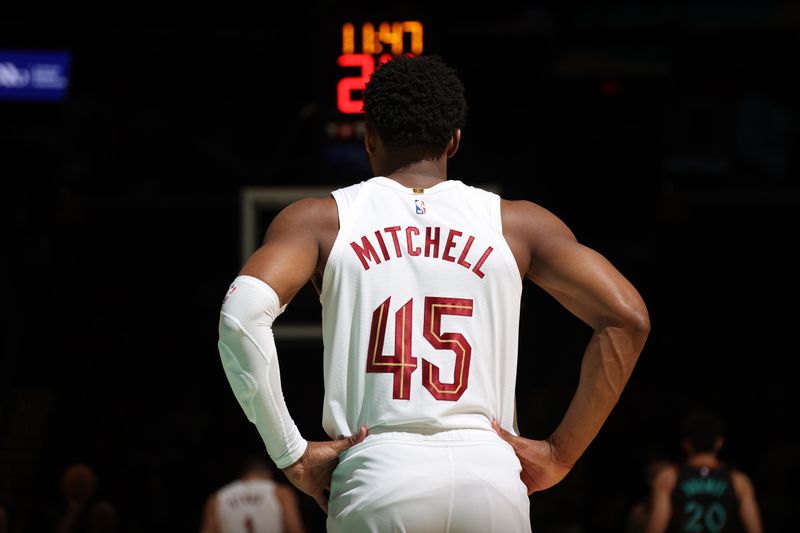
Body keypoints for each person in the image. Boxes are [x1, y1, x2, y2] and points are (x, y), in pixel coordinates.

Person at [217, 54, 650, 532]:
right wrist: (560, 454)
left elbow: (240, 317)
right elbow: (627, 317)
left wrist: (292, 454)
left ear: (369, 138)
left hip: (378, 472)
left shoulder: (321, 220)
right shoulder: (518, 225)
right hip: (489, 477)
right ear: (455, 140)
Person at [645, 408, 764, 533]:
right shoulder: (739, 481)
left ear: (687, 444)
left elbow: (655, 529)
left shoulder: (668, 478)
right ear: (719, 442)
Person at [200, 456, 306, 533]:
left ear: (243, 475)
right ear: (268, 474)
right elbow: (295, 530)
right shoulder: (280, 493)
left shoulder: (217, 498)